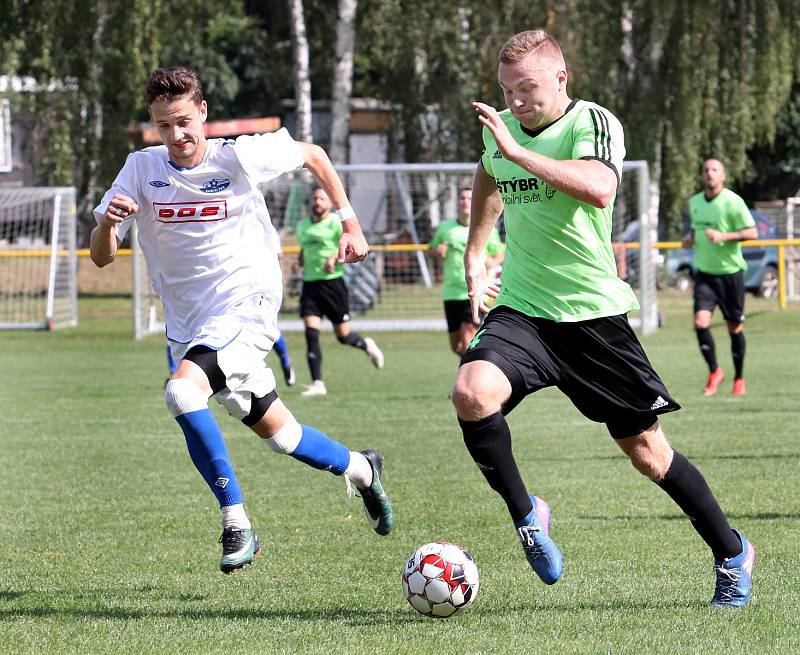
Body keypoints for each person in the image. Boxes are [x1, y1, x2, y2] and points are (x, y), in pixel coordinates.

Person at [453, 30, 754, 607]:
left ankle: (732, 552)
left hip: (592, 318)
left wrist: (519, 153)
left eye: (528, 88)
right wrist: (475, 254)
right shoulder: (504, 135)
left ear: (561, 79)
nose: (515, 102)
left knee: (649, 455)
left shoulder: (591, 121)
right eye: (507, 90)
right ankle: (528, 514)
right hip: (524, 311)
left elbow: (597, 188)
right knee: (471, 392)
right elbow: (490, 173)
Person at [90, 67, 393, 574]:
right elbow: (102, 256)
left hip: (246, 304)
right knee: (282, 436)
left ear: (203, 112)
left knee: (183, 393)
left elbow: (314, 154)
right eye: (164, 126)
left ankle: (237, 521)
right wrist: (107, 222)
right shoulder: (140, 169)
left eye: (184, 121)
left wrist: (350, 223)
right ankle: (364, 468)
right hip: (189, 325)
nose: (177, 135)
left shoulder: (238, 155)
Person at [294, 187, 384, 397]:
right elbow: (305, 248)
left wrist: (334, 258)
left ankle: (366, 344)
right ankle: (318, 383)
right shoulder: (302, 226)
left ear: (329, 203)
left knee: (343, 336)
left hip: (333, 285)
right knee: (311, 333)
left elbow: (349, 246)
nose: (317, 201)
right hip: (310, 285)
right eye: (315, 197)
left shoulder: (336, 223)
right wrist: (299, 260)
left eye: (322, 198)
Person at [682, 159, 757, 397]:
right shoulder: (694, 202)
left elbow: (752, 232)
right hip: (704, 274)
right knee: (700, 323)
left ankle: (739, 377)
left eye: (714, 170)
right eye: (705, 170)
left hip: (730, 274)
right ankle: (715, 371)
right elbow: (696, 229)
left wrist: (724, 235)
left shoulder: (733, 201)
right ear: (702, 176)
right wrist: (689, 237)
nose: (709, 174)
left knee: (734, 327)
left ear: (723, 176)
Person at [429, 186, 505, 355]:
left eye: (470, 198)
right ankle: (482, 366)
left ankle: (472, 377)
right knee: (456, 346)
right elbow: (431, 249)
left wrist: (490, 262)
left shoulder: (486, 227)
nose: (465, 202)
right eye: (462, 198)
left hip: (475, 291)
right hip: (451, 292)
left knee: (467, 340)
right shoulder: (445, 228)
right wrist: (436, 251)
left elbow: (499, 254)